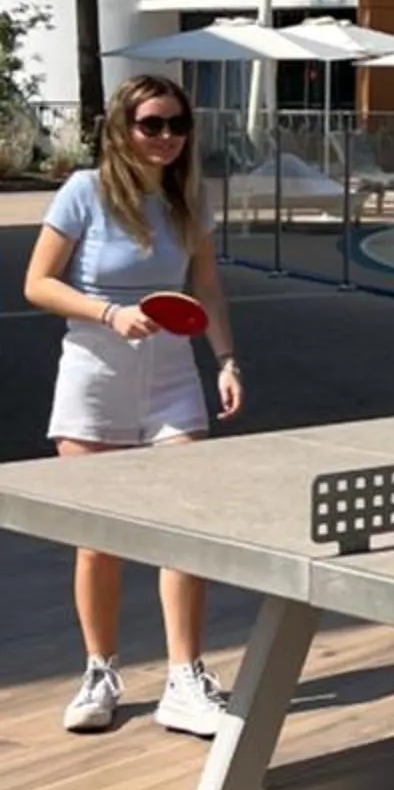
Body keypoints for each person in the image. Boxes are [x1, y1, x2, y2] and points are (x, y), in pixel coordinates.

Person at [24, 77, 244, 737]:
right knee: (100, 540)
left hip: (173, 374)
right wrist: (109, 313)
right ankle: (101, 670)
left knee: (184, 526)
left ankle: (185, 678)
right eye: (152, 124)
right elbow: (37, 283)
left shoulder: (187, 201)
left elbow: (207, 288)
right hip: (95, 373)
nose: (167, 137)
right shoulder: (83, 192)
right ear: (122, 127)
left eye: (177, 124)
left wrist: (227, 359)